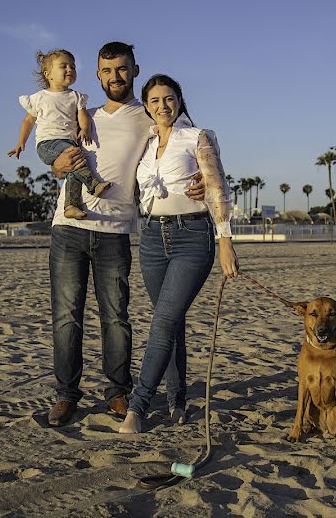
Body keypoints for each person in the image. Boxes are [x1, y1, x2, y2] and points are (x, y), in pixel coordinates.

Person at [44, 43, 205, 427]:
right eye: (106, 71)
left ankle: (118, 392)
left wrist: (200, 179)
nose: (114, 77)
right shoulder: (85, 114)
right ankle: (67, 395)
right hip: (68, 228)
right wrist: (56, 164)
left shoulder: (148, 113)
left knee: (116, 318)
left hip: (115, 231)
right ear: (97, 75)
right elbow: (57, 155)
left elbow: (186, 143)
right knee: (66, 318)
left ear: (134, 70)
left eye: (121, 69)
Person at [119, 74, 238, 434]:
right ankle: (177, 401)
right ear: (146, 106)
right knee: (171, 323)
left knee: (163, 322)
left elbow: (216, 187)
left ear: (179, 100)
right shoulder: (144, 142)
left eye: (168, 98)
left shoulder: (197, 137)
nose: (162, 106)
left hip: (192, 236)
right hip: (152, 238)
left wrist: (225, 240)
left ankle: (138, 407)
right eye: (154, 101)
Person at [8, 49, 112, 220]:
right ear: (48, 74)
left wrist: (85, 129)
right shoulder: (39, 98)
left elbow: (82, 116)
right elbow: (28, 121)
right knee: (74, 156)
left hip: (68, 142)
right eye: (63, 66)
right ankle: (93, 185)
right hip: (47, 144)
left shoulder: (75, 96)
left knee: (73, 170)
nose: (70, 69)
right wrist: (21, 142)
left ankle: (71, 206)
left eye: (73, 67)